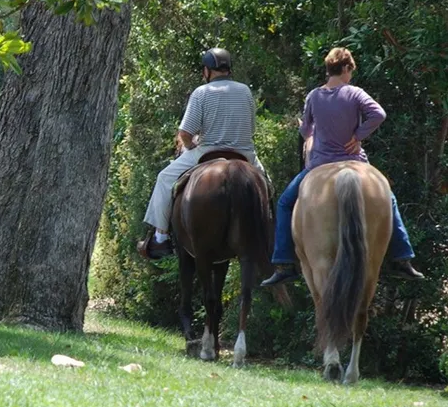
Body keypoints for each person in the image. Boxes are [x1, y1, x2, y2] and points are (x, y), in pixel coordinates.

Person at [260, 47, 424, 286]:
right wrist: (358, 135)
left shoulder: (314, 96)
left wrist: (311, 129)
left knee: (285, 202)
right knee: (388, 198)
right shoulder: (355, 93)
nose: (350, 76)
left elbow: (305, 130)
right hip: (354, 161)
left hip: (320, 164)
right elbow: (378, 114)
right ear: (346, 68)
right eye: (350, 71)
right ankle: (402, 257)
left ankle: (284, 261)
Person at [137, 48, 268, 259]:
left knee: (164, 179)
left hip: (208, 151)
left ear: (207, 71)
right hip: (244, 153)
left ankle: (160, 238)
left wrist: (190, 146)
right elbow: (251, 128)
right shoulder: (245, 91)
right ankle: (269, 231)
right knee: (266, 185)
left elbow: (185, 133)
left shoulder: (201, 92)